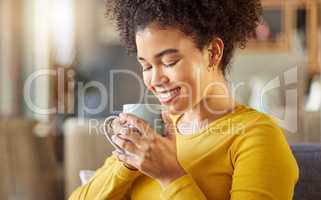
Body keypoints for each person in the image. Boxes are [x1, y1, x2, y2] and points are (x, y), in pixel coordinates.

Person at [69, 0, 299, 199]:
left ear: (213, 53)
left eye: (169, 62)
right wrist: (128, 161)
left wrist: (170, 176)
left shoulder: (256, 136)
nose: (155, 79)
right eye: (146, 66)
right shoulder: (155, 130)